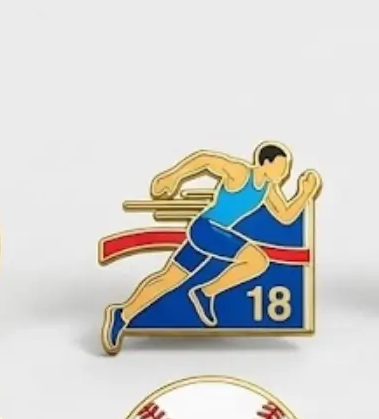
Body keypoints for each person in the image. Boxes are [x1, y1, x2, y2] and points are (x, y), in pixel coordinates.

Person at [102, 143, 321, 354]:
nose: (285, 172)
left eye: (286, 168)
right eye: (281, 167)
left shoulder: (268, 189)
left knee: (167, 279)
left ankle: (122, 314)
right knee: (257, 260)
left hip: (212, 235)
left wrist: (305, 193)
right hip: (205, 228)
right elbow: (204, 159)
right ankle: (206, 293)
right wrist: (173, 176)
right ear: (265, 162)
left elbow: (285, 216)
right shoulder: (240, 173)